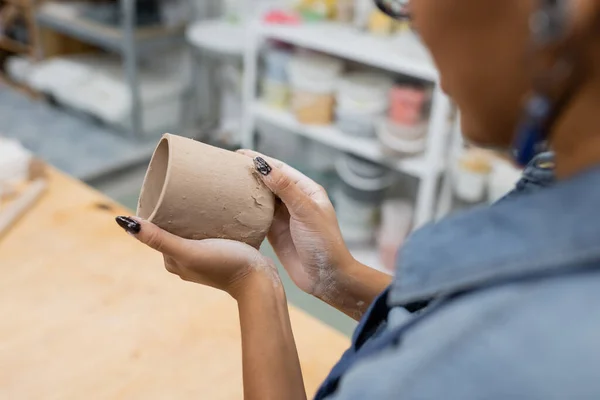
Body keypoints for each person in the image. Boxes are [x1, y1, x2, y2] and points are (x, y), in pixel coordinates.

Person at [114, 0, 600, 398]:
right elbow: (446, 317)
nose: (410, 16)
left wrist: (251, 283)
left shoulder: (493, 361)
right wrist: (339, 278)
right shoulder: (559, 179)